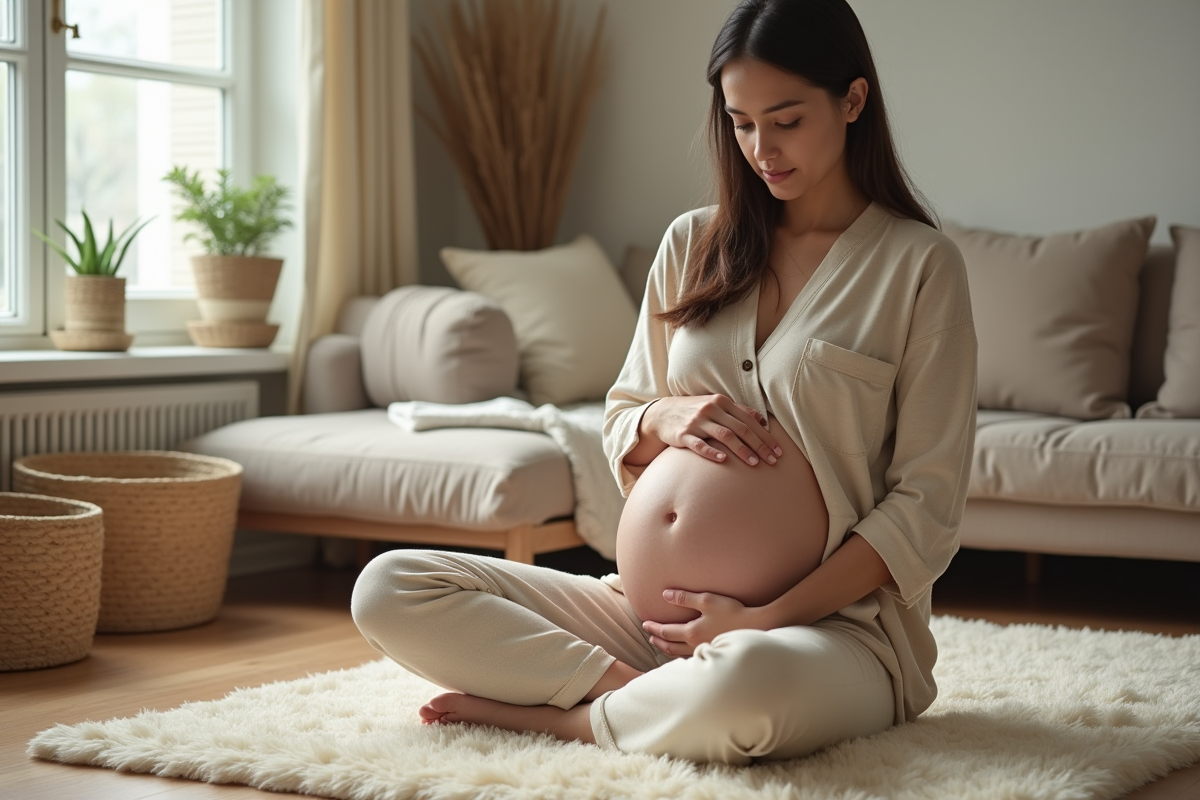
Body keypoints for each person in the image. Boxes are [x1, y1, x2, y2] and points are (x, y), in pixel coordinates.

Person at [351, 0, 977, 765]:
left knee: (746, 689)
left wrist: (763, 618)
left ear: (852, 100)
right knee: (389, 586)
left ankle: (574, 718)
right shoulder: (693, 244)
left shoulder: (918, 266)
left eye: (785, 120)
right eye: (741, 122)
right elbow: (619, 417)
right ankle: (628, 688)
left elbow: (928, 505)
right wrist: (663, 419)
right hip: (641, 621)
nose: (761, 149)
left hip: (823, 633)